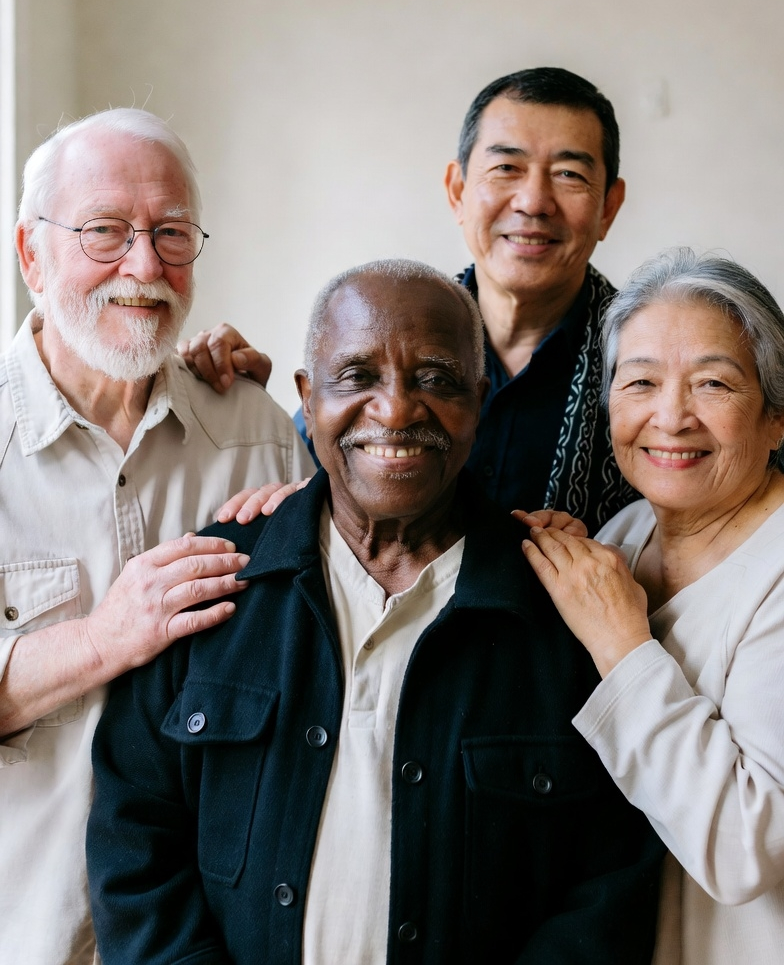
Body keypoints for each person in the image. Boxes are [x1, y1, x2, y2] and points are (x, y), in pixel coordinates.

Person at [87, 259, 662, 965]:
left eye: (436, 380)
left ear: (479, 401)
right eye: (358, 376)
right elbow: (135, 846)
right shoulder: (210, 585)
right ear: (308, 398)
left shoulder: (566, 613)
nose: (395, 409)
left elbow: (609, 882)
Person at [0, 107, 314, 965]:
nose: (144, 266)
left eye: (171, 233)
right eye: (104, 230)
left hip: (203, 943)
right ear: (31, 254)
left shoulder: (255, 431)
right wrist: (104, 638)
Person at [182, 67, 633, 534]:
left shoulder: (645, 363)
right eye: (506, 168)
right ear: (457, 191)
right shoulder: (391, 327)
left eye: (568, 174)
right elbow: (309, 469)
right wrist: (245, 412)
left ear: (608, 207)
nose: (534, 202)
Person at [522, 247, 784, 964]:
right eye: (640, 381)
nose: (671, 417)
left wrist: (621, 643)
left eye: (713, 384)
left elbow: (745, 847)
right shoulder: (625, 532)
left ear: (776, 417)